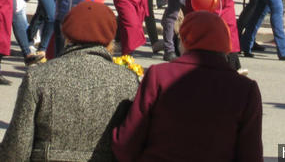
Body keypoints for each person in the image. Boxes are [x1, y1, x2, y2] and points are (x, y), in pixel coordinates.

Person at [111, 11, 263, 162]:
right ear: (225, 45)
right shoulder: (244, 89)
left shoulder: (159, 75)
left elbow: (127, 142)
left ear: (184, 41)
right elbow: (251, 154)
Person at [0, 1, 138, 162]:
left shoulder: (39, 77)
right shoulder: (127, 81)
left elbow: (17, 145)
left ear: (67, 37)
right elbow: (132, 143)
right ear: (110, 41)